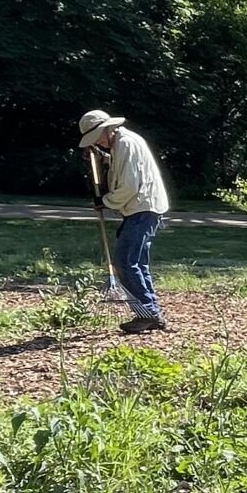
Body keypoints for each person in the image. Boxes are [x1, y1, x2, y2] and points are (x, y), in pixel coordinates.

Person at [75, 109, 169, 335]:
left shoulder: (126, 143)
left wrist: (105, 200)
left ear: (107, 129)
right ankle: (150, 312)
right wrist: (101, 157)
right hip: (142, 208)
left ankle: (147, 313)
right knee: (136, 262)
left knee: (125, 261)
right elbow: (122, 168)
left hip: (143, 208)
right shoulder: (120, 144)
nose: (97, 142)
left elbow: (129, 186)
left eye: (97, 137)